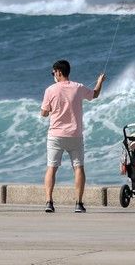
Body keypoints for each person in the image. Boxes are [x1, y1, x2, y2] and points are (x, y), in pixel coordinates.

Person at [41, 59, 105, 213]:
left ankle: (49, 202)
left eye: (53, 72)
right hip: (75, 135)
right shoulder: (78, 87)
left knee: (52, 168)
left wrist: (48, 110)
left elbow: (44, 113)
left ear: (58, 72)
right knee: (78, 167)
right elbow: (95, 95)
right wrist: (99, 81)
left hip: (55, 135)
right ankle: (79, 203)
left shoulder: (50, 90)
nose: (53, 75)